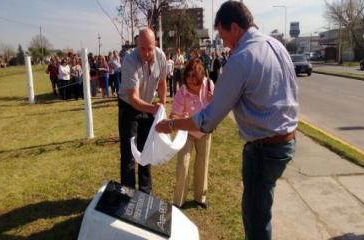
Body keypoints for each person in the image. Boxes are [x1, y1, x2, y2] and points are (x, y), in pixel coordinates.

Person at [155, 1, 298, 240]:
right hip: (287, 141)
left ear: (234, 27)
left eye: (223, 36)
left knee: (256, 218)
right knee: (261, 210)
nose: (223, 43)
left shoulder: (241, 58)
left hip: (264, 148)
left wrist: (171, 124)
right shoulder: (276, 46)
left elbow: (208, 120)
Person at [118, 27, 167, 194]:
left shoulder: (161, 56)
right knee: (129, 153)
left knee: (146, 150)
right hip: (129, 107)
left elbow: (162, 83)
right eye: (142, 48)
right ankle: (128, 193)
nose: (146, 53)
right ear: (137, 44)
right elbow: (133, 98)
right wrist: (154, 109)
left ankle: (146, 192)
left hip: (149, 105)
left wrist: (162, 103)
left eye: (150, 49)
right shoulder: (129, 61)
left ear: (156, 44)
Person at [171, 58, 214, 209]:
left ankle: (200, 198)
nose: (190, 80)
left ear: (200, 75)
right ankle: (178, 201)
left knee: (202, 164)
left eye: (194, 76)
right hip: (187, 132)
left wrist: (213, 100)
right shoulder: (181, 92)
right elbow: (175, 115)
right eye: (188, 76)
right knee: (183, 164)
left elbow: (217, 107)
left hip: (205, 132)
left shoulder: (209, 86)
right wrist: (178, 119)